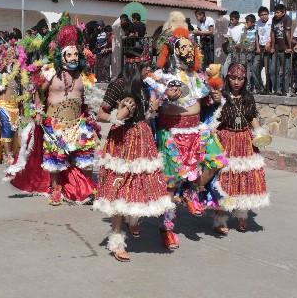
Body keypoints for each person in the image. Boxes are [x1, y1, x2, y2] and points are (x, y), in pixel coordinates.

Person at [94, 40, 173, 262]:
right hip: (122, 142)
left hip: (142, 139)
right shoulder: (118, 85)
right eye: (146, 66)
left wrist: (151, 111)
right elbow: (101, 115)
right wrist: (118, 116)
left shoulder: (144, 86)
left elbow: (142, 116)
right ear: (136, 67)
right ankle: (117, 239)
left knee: (139, 184)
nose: (149, 70)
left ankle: (134, 220)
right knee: (120, 188)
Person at [153, 19, 225, 250]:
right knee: (171, 184)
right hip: (172, 133)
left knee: (217, 159)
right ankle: (167, 228)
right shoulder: (161, 76)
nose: (187, 51)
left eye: (189, 47)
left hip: (197, 131)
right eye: (181, 47)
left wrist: (214, 99)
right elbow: (152, 103)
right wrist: (164, 97)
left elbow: (207, 101)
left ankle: (193, 191)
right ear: (172, 51)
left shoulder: (198, 77)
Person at [34, 21, 99, 205]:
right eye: (69, 54)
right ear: (61, 55)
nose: (72, 58)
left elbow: (89, 99)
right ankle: (56, 189)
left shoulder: (83, 75)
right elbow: (38, 91)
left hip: (78, 123)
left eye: (75, 54)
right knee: (55, 158)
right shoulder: (50, 72)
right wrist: (38, 111)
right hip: (55, 122)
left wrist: (91, 119)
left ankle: (86, 188)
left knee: (85, 157)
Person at [213, 63, 269, 234]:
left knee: (245, 179)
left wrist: (259, 133)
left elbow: (252, 117)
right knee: (225, 179)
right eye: (233, 78)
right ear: (227, 78)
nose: (236, 82)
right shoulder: (220, 96)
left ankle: (242, 215)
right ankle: (220, 219)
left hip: (245, 140)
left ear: (245, 79)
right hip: (226, 139)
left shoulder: (248, 98)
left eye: (240, 79)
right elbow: (214, 119)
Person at [269, 4, 293, 96]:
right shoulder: (274, 19)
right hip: (276, 48)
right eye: (275, 12)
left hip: (285, 48)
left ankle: (285, 90)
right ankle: (277, 89)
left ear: (283, 12)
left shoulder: (287, 19)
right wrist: (272, 46)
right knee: (273, 70)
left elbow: (288, 33)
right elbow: (272, 33)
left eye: (278, 12)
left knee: (286, 70)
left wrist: (289, 47)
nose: (276, 14)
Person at [254, 6, 272, 94]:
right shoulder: (257, 23)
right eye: (261, 15)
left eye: (265, 14)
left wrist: (270, 43)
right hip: (260, 48)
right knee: (255, 68)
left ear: (268, 14)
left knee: (267, 70)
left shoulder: (271, 22)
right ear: (259, 16)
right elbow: (256, 36)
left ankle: (267, 88)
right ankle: (260, 87)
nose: (264, 16)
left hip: (268, 48)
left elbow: (273, 34)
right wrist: (257, 47)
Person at [222, 11, 245, 77]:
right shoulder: (230, 28)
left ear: (237, 19)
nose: (231, 21)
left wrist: (240, 45)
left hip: (241, 51)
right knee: (226, 66)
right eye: (230, 19)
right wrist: (226, 39)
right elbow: (230, 38)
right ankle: (226, 81)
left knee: (240, 67)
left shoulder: (243, 26)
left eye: (232, 19)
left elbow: (244, 37)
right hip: (232, 51)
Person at [243, 14, 258, 92]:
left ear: (252, 23)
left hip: (252, 52)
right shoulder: (245, 30)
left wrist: (256, 48)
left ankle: (251, 86)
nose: (246, 23)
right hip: (246, 51)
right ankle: (248, 86)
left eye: (247, 22)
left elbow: (256, 40)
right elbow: (244, 39)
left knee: (251, 70)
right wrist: (246, 47)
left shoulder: (255, 30)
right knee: (247, 70)